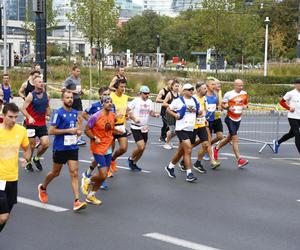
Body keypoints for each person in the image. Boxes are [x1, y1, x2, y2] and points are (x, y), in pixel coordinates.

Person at [37, 91, 87, 211]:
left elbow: (78, 132)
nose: (70, 99)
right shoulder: (58, 113)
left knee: (74, 173)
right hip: (60, 148)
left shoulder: (75, 113)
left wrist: (79, 129)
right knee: (55, 173)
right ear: (62, 99)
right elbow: (51, 131)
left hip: (72, 147)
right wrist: (69, 130)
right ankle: (43, 187)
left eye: (71, 98)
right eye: (67, 98)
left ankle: (76, 201)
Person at [81, 96, 118, 204]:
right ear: (102, 104)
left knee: (105, 175)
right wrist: (94, 138)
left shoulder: (112, 115)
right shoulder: (96, 116)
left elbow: (110, 129)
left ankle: (91, 196)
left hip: (108, 147)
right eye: (107, 102)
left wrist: (119, 132)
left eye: (111, 102)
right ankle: (87, 180)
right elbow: (86, 129)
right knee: (102, 174)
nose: (109, 104)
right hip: (98, 147)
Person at [0, 103, 31, 232]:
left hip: (13, 178)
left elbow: (27, 148)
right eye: (10, 117)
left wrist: (26, 158)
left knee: (6, 216)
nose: (13, 120)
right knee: (3, 216)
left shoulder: (21, 130)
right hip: (0, 179)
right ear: (3, 115)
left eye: (16, 117)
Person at [179, 82, 221, 172]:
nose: (206, 90)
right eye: (204, 88)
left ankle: (198, 163)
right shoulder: (193, 98)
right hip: (192, 126)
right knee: (189, 146)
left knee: (206, 144)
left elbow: (205, 110)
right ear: (199, 90)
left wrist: (205, 119)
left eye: (206, 88)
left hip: (202, 125)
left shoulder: (204, 98)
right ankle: (183, 161)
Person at [165, 83, 199, 182]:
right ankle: (189, 174)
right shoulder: (178, 101)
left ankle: (170, 167)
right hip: (181, 129)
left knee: (181, 152)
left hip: (191, 129)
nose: (191, 91)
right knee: (188, 150)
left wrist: (200, 113)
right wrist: (175, 115)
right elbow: (168, 109)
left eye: (192, 89)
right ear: (184, 91)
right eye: (189, 89)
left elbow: (197, 112)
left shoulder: (194, 100)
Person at [213, 79, 249, 168]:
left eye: (242, 85)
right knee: (235, 139)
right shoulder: (229, 94)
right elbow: (222, 105)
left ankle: (216, 148)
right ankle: (239, 160)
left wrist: (245, 107)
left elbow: (245, 104)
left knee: (229, 138)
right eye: (239, 86)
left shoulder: (244, 93)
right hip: (230, 119)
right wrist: (228, 108)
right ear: (235, 85)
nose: (241, 87)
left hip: (238, 119)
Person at [21, 76, 50, 172]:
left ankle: (36, 158)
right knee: (32, 145)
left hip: (42, 124)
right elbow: (23, 108)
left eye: (42, 82)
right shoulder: (31, 95)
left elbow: (48, 106)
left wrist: (48, 114)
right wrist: (29, 117)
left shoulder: (47, 95)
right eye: (39, 82)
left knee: (45, 144)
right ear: (35, 84)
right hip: (31, 124)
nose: (42, 83)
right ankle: (28, 163)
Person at [127, 86, 159, 170]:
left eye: (148, 93)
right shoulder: (136, 101)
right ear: (140, 93)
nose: (147, 95)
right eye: (145, 93)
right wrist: (134, 118)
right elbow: (127, 110)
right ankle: (130, 158)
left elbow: (151, 112)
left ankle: (134, 163)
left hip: (144, 127)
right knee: (141, 146)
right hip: (135, 127)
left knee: (143, 148)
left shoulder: (149, 101)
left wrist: (155, 114)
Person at [273, 78, 300, 154]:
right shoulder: (291, 93)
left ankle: (277, 142)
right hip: (293, 117)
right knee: (297, 136)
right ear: (296, 85)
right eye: (299, 84)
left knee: (291, 134)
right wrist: (289, 108)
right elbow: (281, 102)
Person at [109, 79, 129, 175]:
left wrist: (127, 115)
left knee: (124, 148)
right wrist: (114, 116)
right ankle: (107, 169)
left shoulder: (125, 97)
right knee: (109, 150)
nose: (123, 88)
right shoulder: (111, 96)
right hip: (111, 126)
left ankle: (113, 159)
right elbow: (106, 110)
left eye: (124, 87)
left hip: (121, 126)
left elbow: (126, 109)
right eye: (121, 87)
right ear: (116, 87)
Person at [64, 66, 86, 146]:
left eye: (79, 71)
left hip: (78, 100)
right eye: (77, 71)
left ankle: (78, 138)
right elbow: (63, 89)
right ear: (72, 71)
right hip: (71, 101)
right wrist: (73, 91)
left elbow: (78, 89)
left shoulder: (79, 79)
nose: (78, 73)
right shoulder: (69, 80)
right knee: (71, 119)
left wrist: (81, 92)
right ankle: (69, 135)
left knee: (80, 119)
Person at [162, 80, 180, 150]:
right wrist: (172, 105)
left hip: (176, 113)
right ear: (172, 86)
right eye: (175, 86)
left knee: (178, 130)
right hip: (169, 113)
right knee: (172, 129)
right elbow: (164, 103)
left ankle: (168, 138)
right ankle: (166, 144)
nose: (177, 87)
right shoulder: (169, 94)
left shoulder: (178, 94)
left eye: (178, 86)